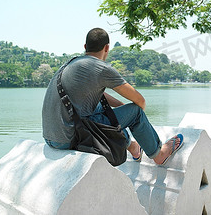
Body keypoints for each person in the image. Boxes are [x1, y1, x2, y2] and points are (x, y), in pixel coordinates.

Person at [42, 28, 183, 165]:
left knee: (99, 107)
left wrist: (121, 109)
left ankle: (134, 148)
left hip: (51, 138)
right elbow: (140, 101)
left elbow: (98, 94)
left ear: (85, 47)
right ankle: (159, 155)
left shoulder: (71, 63)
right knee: (136, 113)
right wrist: (129, 117)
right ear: (107, 48)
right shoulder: (101, 68)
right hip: (68, 139)